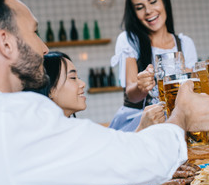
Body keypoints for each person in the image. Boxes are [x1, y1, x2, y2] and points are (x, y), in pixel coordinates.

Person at [0, 0, 209, 185]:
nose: (44, 48)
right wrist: (181, 115)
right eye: (34, 32)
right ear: (5, 43)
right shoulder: (12, 116)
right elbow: (142, 160)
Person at [109, 0, 198, 131]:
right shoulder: (129, 40)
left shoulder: (185, 43)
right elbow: (131, 95)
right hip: (140, 121)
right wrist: (141, 87)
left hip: (178, 122)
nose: (148, 11)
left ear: (164, 1)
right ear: (134, 13)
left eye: (153, 2)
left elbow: (191, 94)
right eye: (139, 7)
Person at [27, 51, 165, 131]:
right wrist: (142, 127)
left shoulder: (74, 129)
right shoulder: (52, 135)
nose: (82, 84)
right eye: (73, 78)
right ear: (50, 89)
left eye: (78, 77)